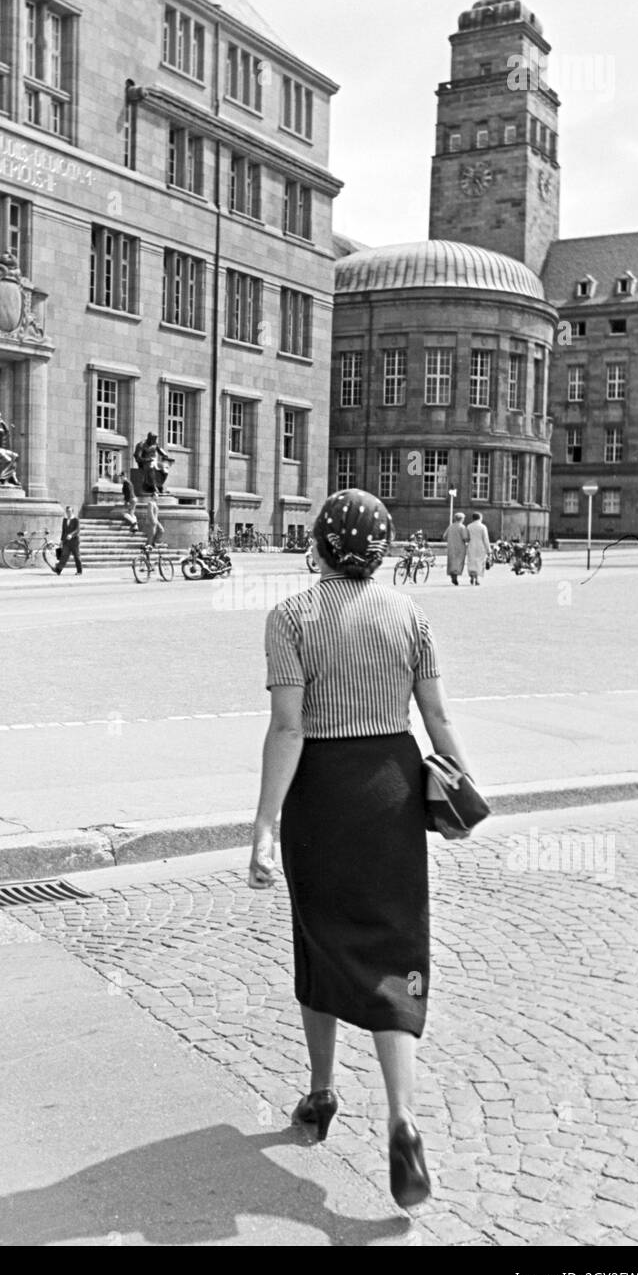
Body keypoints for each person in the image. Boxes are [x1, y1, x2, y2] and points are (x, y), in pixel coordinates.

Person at [249, 488, 474, 1211]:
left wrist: (263, 824)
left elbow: (287, 728)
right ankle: (403, 1118)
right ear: (380, 551)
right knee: (391, 948)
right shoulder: (409, 615)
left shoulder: (291, 617)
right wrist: (465, 788)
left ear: (317, 542)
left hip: (322, 793)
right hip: (391, 791)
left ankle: (319, 1095)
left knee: (319, 941)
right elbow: (435, 715)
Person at [54, 505, 82, 575]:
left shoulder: (76, 519)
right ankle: (59, 570)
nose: (68, 513)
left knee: (76, 556)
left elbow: (77, 530)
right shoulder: (65, 520)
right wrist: (61, 540)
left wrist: (71, 535)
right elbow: (63, 531)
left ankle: (79, 571)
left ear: (72, 512)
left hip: (74, 541)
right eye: (67, 511)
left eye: (69, 511)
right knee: (64, 555)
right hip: (66, 541)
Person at [443, 512, 469, 585]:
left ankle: (452, 574)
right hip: (460, 547)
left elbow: (444, 536)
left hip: (451, 546)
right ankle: (455, 575)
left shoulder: (450, 526)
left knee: (451, 561)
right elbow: (465, 537)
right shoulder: (462, 527)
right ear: (462, 519)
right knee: (459, 561)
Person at [466, 511, 491, 586]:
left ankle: (472, 576)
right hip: (481, 546)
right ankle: (477, 579)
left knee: (471, 562)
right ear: (480, 518)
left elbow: (467, 537)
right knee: (479, 563)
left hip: (471, 545)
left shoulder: (469, 526)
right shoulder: (483, 527)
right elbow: (485, 539)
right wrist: (488, 549)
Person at [113, 470, 138, 535]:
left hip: (131, 499)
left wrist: (127, 501)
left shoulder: (126, 482)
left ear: (124, 476)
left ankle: (133, 523)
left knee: (124, 513)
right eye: (120, 477)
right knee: (131, 513)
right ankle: (135, 527)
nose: (120, 478)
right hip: (134, 498)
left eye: (121, 477)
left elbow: (128, 493)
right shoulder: (129, 482)